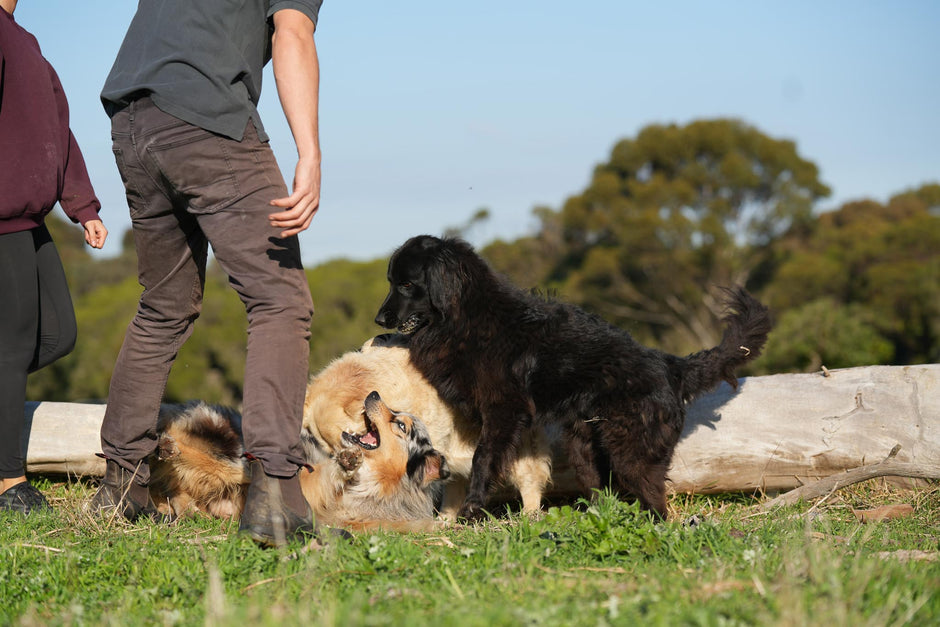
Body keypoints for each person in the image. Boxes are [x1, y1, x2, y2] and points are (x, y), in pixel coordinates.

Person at [86, 0, 323, 546]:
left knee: (163, 306)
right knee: (280, 300)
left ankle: (122, 486)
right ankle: (274, 496)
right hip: (206, 116)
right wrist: (308, 154)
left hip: (132, 121)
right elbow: (293, 35)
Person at [0, 0, 109, 514]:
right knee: (12, 346)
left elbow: (58, 131)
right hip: (2, 219)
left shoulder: (27, 43)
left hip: (32, 220)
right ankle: (6, 481)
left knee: (57, 334)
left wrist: (82, 205)